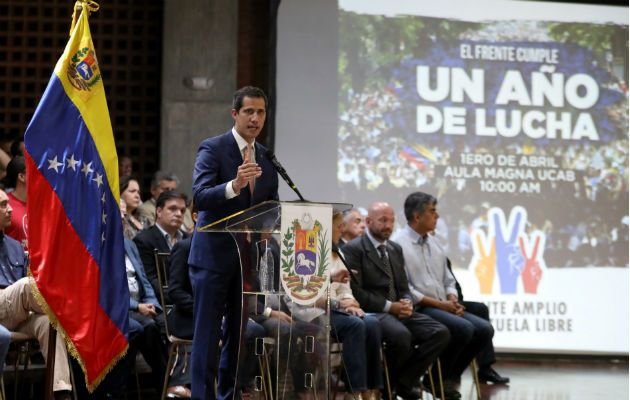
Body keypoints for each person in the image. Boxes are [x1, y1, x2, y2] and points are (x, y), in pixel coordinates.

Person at [188, 86, 279, 400]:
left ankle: (228, 395)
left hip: (247, 261)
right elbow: (199, 196)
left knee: (238, 337)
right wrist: (234, 185)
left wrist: (269, 227)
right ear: (235, 114)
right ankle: (202, 396)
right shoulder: (213, 149)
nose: (255, 119)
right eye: (248, 112)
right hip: (212, 258)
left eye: (261, 112)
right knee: (208, 335)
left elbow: (271, 204)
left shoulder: (266, 156)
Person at [392, 192, 494, 399]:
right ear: (417, 216)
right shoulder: (398, 244)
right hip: (421, 306)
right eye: (432, 211)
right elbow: (405, 288)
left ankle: (445, 377)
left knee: (484, 329)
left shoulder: (434, 242)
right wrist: (440, 305)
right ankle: (433, 380)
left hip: (441, 304)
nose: (437, 216)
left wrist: (452, 298)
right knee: (464, 329)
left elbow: (448, 278)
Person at [343, 201, 450, 400]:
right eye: (383, 220)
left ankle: (401, 383)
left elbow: (403, 286)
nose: (388, 226)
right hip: (374, 311)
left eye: (392, 221)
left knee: (439, 332)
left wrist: (407, 302)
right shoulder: (354, 249)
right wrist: (390, 306)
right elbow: (357, 291)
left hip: (398, 309)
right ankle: (388, 388)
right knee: (401, 336)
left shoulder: (394, 248)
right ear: (368, 222)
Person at [0, 189, 72, 400]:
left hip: (18, 311)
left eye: (8, 204)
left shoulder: (14, 246)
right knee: (26, 285)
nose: (10, 209)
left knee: (48, 322)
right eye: (3, 205)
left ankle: (60, 392)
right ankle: (72, 311)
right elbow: (28, 288)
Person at [330, 210, 382, 400]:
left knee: (373, 323)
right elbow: (312, 293)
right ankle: (354, 390)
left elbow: (344, 287)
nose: (341, 230)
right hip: (319, 310)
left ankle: (371, 389)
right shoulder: (310, 252)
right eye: (338, 226)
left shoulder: (338, 252)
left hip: (340, 308)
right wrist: (343, 305)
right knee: (355, 325)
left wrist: (351, 302)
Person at [444, 257, 509, 384]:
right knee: (468, 327)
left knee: (481, 309)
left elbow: (453, 285)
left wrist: (455, 301)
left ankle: (485, 368)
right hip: (435, 303)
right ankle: (450, 371)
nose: (433, 235)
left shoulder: (441, 256)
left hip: (452, 301)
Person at [133, 191, 189, 300]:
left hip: (190, 300)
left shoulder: (190, 239)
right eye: (172, 209)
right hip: (163, 303)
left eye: (182, 210)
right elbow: (150, 280)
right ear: (158, 211)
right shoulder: (144, 240)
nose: (179, 214)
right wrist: (181, 299)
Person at [3, 156, 28, 250]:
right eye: (33, 172)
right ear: (21, 177)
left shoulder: (39, 205)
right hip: (13, 262)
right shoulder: (4, 205)